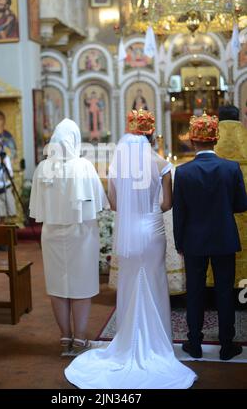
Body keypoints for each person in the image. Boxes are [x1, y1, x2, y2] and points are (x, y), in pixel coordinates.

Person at [65, 109, 197, 389]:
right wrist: (148, 209)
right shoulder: (160, 163)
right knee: (154, 281)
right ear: (151, 135)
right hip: (152, 231)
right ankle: (158, 345)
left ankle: (126, 342)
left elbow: (114, 204)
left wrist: (133, 209)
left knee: (129, 283)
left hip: (128, 233)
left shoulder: (118, 164)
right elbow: (166, 204)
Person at [29, 118, 109, 357]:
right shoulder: (82, 165)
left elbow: (36, 207)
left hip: (51, 234)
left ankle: (65, 338)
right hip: (81, 234)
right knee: (80, 285)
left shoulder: (43, 167)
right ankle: (81, 339)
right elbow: (100, 202)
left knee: (58, 285)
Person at [173, 110, 247, 361]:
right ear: (215, 140)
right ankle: (227, 345)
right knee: (224, 291)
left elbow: (179, 213)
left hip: (193, 240)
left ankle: (194, 343)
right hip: (224, 238)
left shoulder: (183, 173)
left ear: (193, 141)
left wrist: (179, 241)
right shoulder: (231, 168)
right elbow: (240, 205)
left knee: (194, 291)